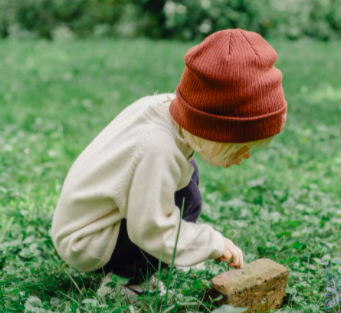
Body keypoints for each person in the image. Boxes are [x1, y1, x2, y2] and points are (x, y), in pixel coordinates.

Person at [50, 28, 288, 299]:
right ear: (213, 128)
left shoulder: (171, 114)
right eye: (241, 147)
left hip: (100, 217)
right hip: (86, 238)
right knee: (178, 208)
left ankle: (168, 253)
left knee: (188, 190)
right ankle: (125, 282)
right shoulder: (156, 148)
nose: (244, 157)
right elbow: (151, 231)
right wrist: (210, 243)